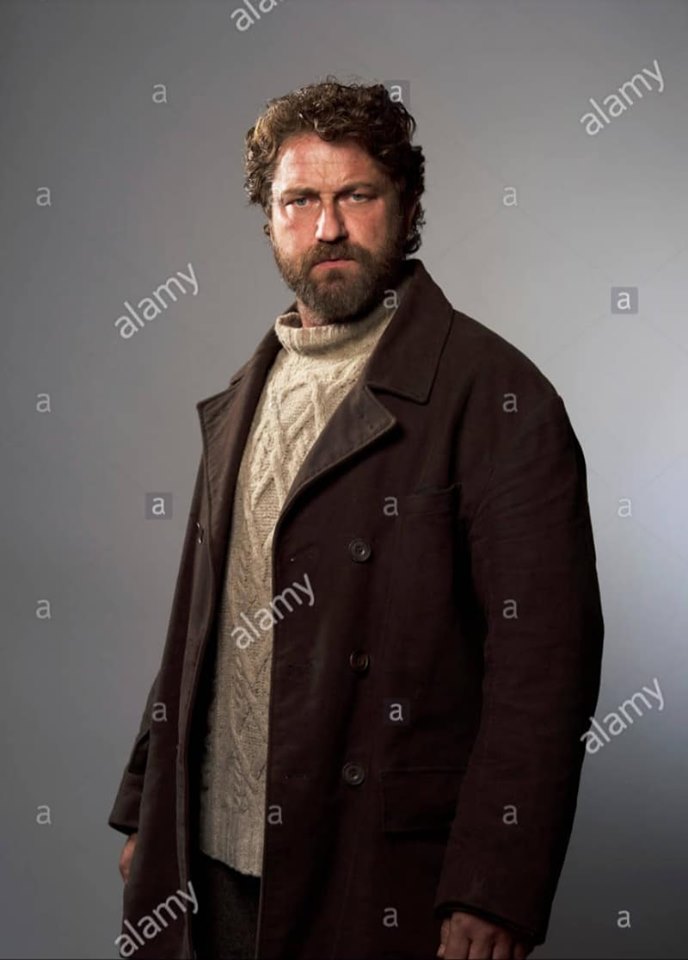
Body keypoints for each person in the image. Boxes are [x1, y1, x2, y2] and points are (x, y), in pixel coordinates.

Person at [110, 77, 604, 960]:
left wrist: (493, 886)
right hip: (209, 864)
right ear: (270, 221)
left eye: (357, 196)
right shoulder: (245, 395)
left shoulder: (499, 396)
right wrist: (152, 808)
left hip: (372, 869)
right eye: (299, 201)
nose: (327, 227)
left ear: (407, 209)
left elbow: (545, 665)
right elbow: (202, 623)